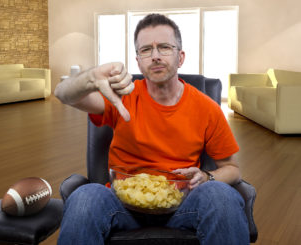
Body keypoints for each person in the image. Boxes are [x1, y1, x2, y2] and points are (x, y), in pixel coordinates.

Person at [55, 14, 249, 245]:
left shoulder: (207, 108)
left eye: (164, 47)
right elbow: (62, 94)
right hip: (120, 204)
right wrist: (89, 78)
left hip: (182, 205)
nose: (155, 56)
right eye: (146, 49)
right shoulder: (120, 97)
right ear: (138, 61)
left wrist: (207, 177)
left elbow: (231, 169)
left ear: (181, 56)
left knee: (223, 196)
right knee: (84, 197)